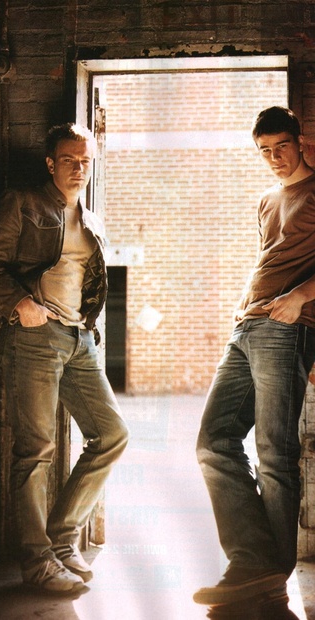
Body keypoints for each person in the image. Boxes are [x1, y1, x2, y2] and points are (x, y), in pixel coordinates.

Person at [0, 123, 129, 593]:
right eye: (68, 160)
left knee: (112, 435)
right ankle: (37, 562)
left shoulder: (92, 220)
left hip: (80, 339)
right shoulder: (23, 204)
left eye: (85, 161)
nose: (78, 169)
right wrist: (21, 303)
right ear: (50, 163)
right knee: (36, 450)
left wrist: (89, 328)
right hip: (35, 338)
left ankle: (61, 540)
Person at [194, 107, 315, 619]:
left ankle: (271, 578)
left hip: (286, 328)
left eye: (281, 146)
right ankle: (251, 562)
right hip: (247, 328)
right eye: (264, 150)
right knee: (213, 441)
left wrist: (301, 297)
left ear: (300, 141)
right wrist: (245, 307)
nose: (274, 157)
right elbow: (270, 259)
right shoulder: (266, 200)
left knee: (274, 451)